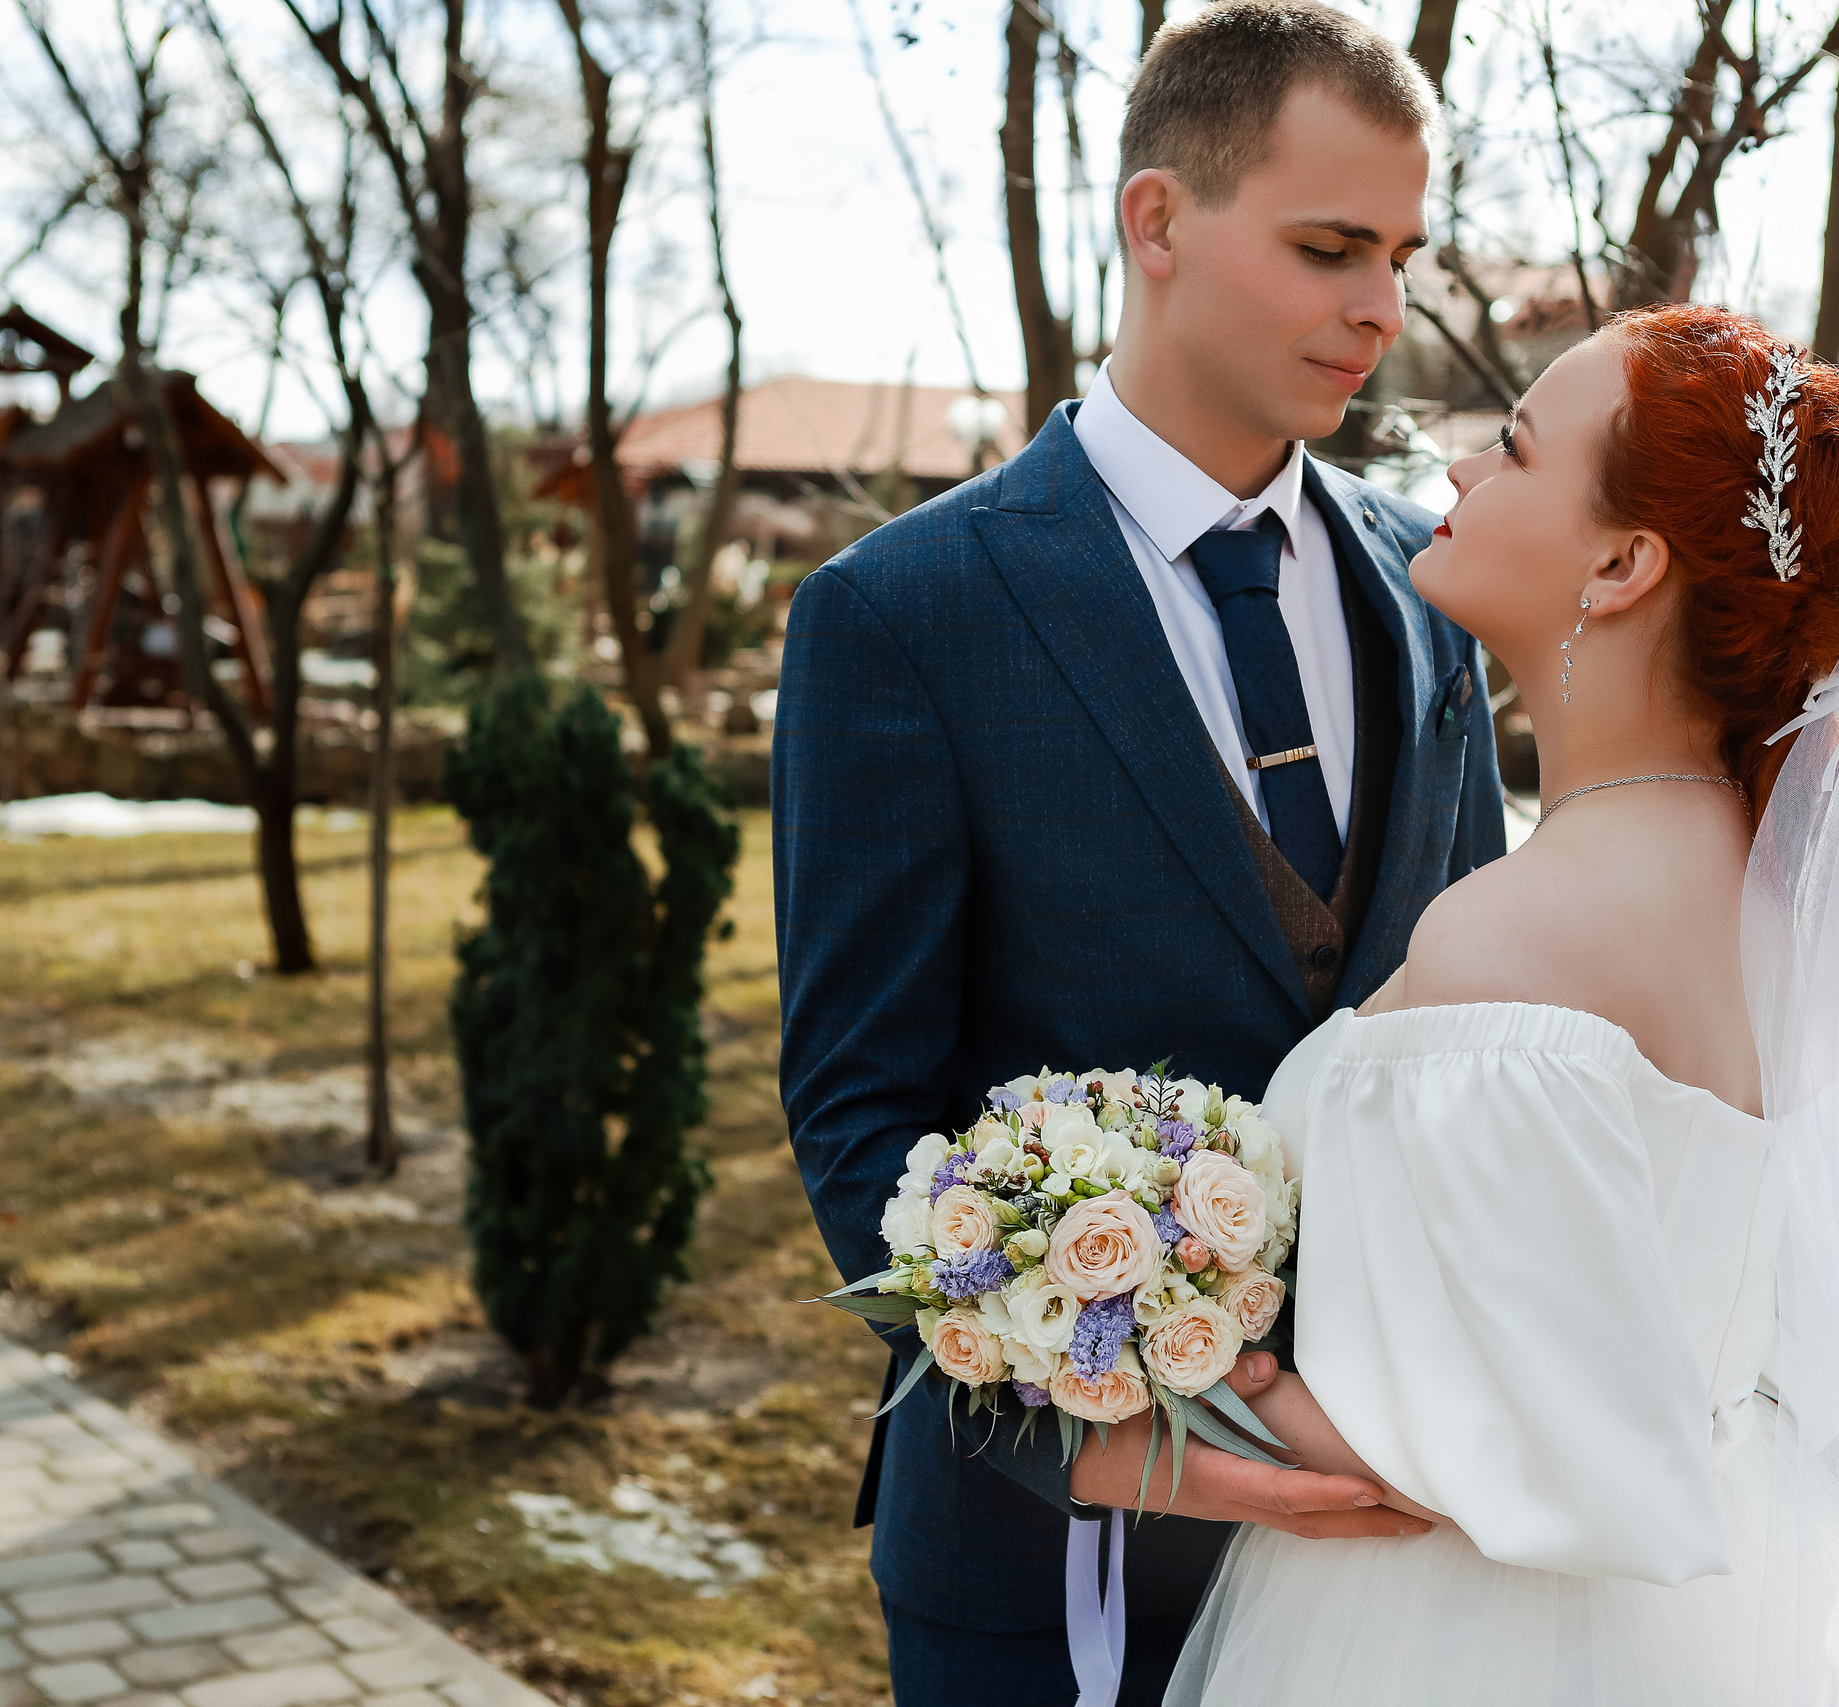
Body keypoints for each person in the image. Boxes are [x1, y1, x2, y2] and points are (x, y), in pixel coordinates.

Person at [1158, 303, 1839, 1705]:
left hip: (1468, 1642)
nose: (1459, 469)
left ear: (1622, 562)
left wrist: (1161, 1368)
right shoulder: (1796, 904)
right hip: (1748, 1595)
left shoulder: (1515, 935)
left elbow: (1489, 1458)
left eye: (1515, 448)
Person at [772, 3, 1503, 1700]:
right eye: (1330, 247)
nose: (1383, 311)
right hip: (1047, 1567)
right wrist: (1089, 1426)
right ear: (1158, 220)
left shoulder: (1439, 591)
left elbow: (1476, 1030)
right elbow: (859, 1103)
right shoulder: (906, 610)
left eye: (1402, 257)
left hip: (1405, 1551)